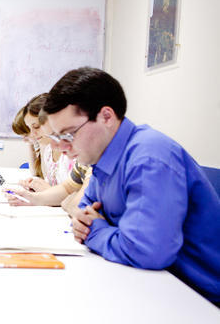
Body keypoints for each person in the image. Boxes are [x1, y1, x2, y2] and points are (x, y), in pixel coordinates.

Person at [43, 66, 220, 305]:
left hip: (199, 298)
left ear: (106, 116)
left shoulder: (149, 158)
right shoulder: (104, 158)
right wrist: (90, 224)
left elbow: (147, 251)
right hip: (151, 285)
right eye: (56, 138)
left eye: (69, 134)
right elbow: (84, 212)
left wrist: (96, 231)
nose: (62, 147)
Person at [15, 93, 75, 192]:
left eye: (36, 126)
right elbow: (47, 184)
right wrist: (36, 185)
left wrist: (47, 191)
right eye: (29, 128)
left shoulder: (74, 153)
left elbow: (77, 197)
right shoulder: (48, 150)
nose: (32, 134)